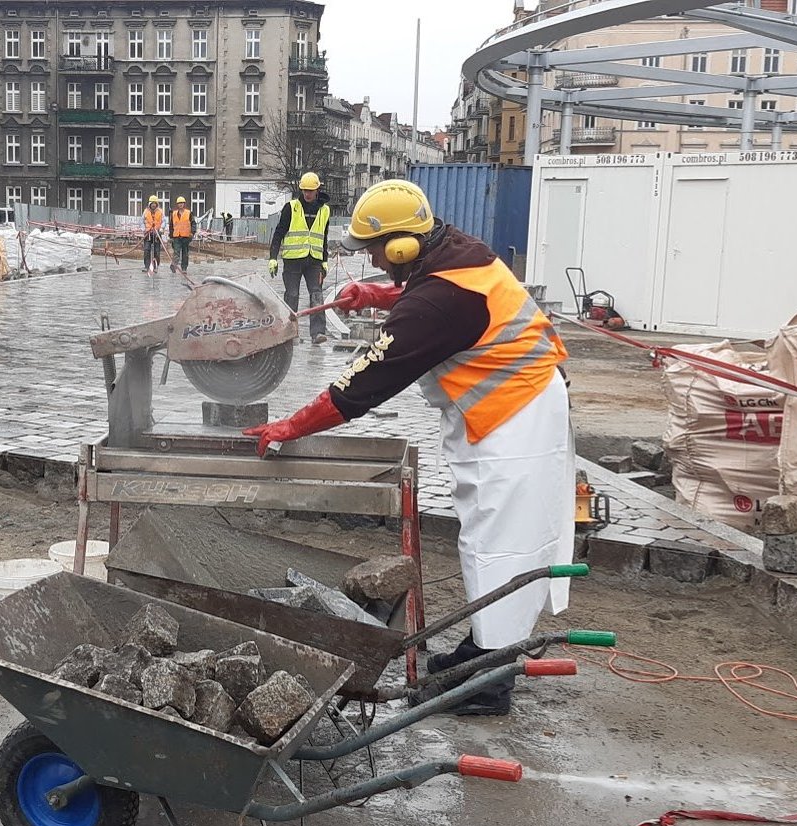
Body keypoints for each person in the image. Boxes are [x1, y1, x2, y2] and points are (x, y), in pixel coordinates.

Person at [243, 179, 574, 716]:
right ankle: (485, 650)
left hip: (518, 417)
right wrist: (376, 293)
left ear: (401, 247)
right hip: (511, 409)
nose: (373, 258)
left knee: (503, 544)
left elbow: (363, 384)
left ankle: (489, 682)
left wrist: (289, 427)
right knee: (489, 539)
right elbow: (433, 294)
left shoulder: (438, 302)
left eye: (375, 251)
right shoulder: (455, 251)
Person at [268, 172, 332, 344]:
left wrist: (324, 261)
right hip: (293, 261)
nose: (307, 194)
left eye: (310, 190)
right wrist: (273, 257)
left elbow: (323, 237)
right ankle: (290, 332)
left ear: (317, 190)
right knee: (292, 295)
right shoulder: (291, 207)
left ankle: (318, 333)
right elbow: (279, 232)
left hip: (314, 261)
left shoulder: (325, 210)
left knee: (317, 295)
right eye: (304, 190)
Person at [169, 196, 196, 271]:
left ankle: (184, 268)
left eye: (182, 203)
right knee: (176, 252)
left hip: (186, 236)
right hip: (176, 236)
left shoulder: (189, 213)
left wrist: (192, 232)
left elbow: (193, 223)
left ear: (184, 204)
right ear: (177, 205)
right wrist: (171, 236)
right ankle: (174, 265)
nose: (180, 204)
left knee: (185, 253)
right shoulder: (174, 214)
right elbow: (171, 226)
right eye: (179, 203)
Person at [142, 196, 165, 273]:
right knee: (146, 250)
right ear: (150, 204)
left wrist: (161, 229)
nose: (153, 205)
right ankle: (146, 266)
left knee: (157, 251)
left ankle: (155, 267)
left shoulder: (160, 212)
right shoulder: (145, 212)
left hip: (157, 234)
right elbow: (141, 222)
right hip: (148, 234)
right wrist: (144, 229)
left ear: (157, 204)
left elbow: (164, 221)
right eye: (152, 203)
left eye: (155, 203)